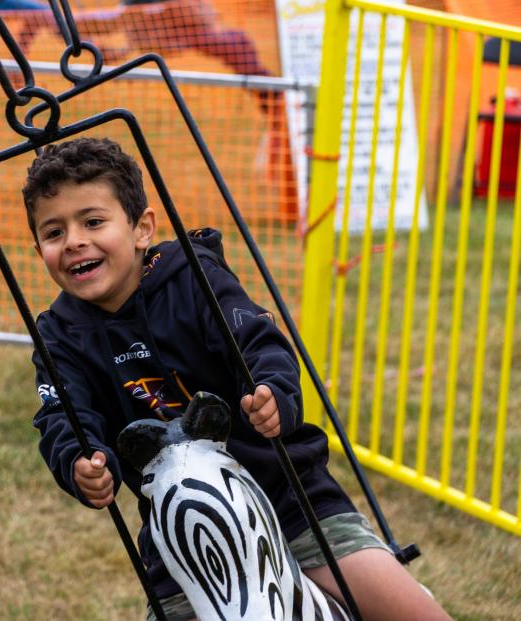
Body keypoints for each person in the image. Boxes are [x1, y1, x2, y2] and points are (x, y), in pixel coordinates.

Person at [24, 137, 451, 621]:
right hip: (184, 536)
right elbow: (62, 416)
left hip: (289, 496)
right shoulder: (58, 336)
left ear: (142, 228)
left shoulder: (194, 276)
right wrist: (79, 462)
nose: (75, 240)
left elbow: (260, 343)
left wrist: (273, 394)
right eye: (54, 232)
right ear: (38, 247)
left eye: (93, 221)